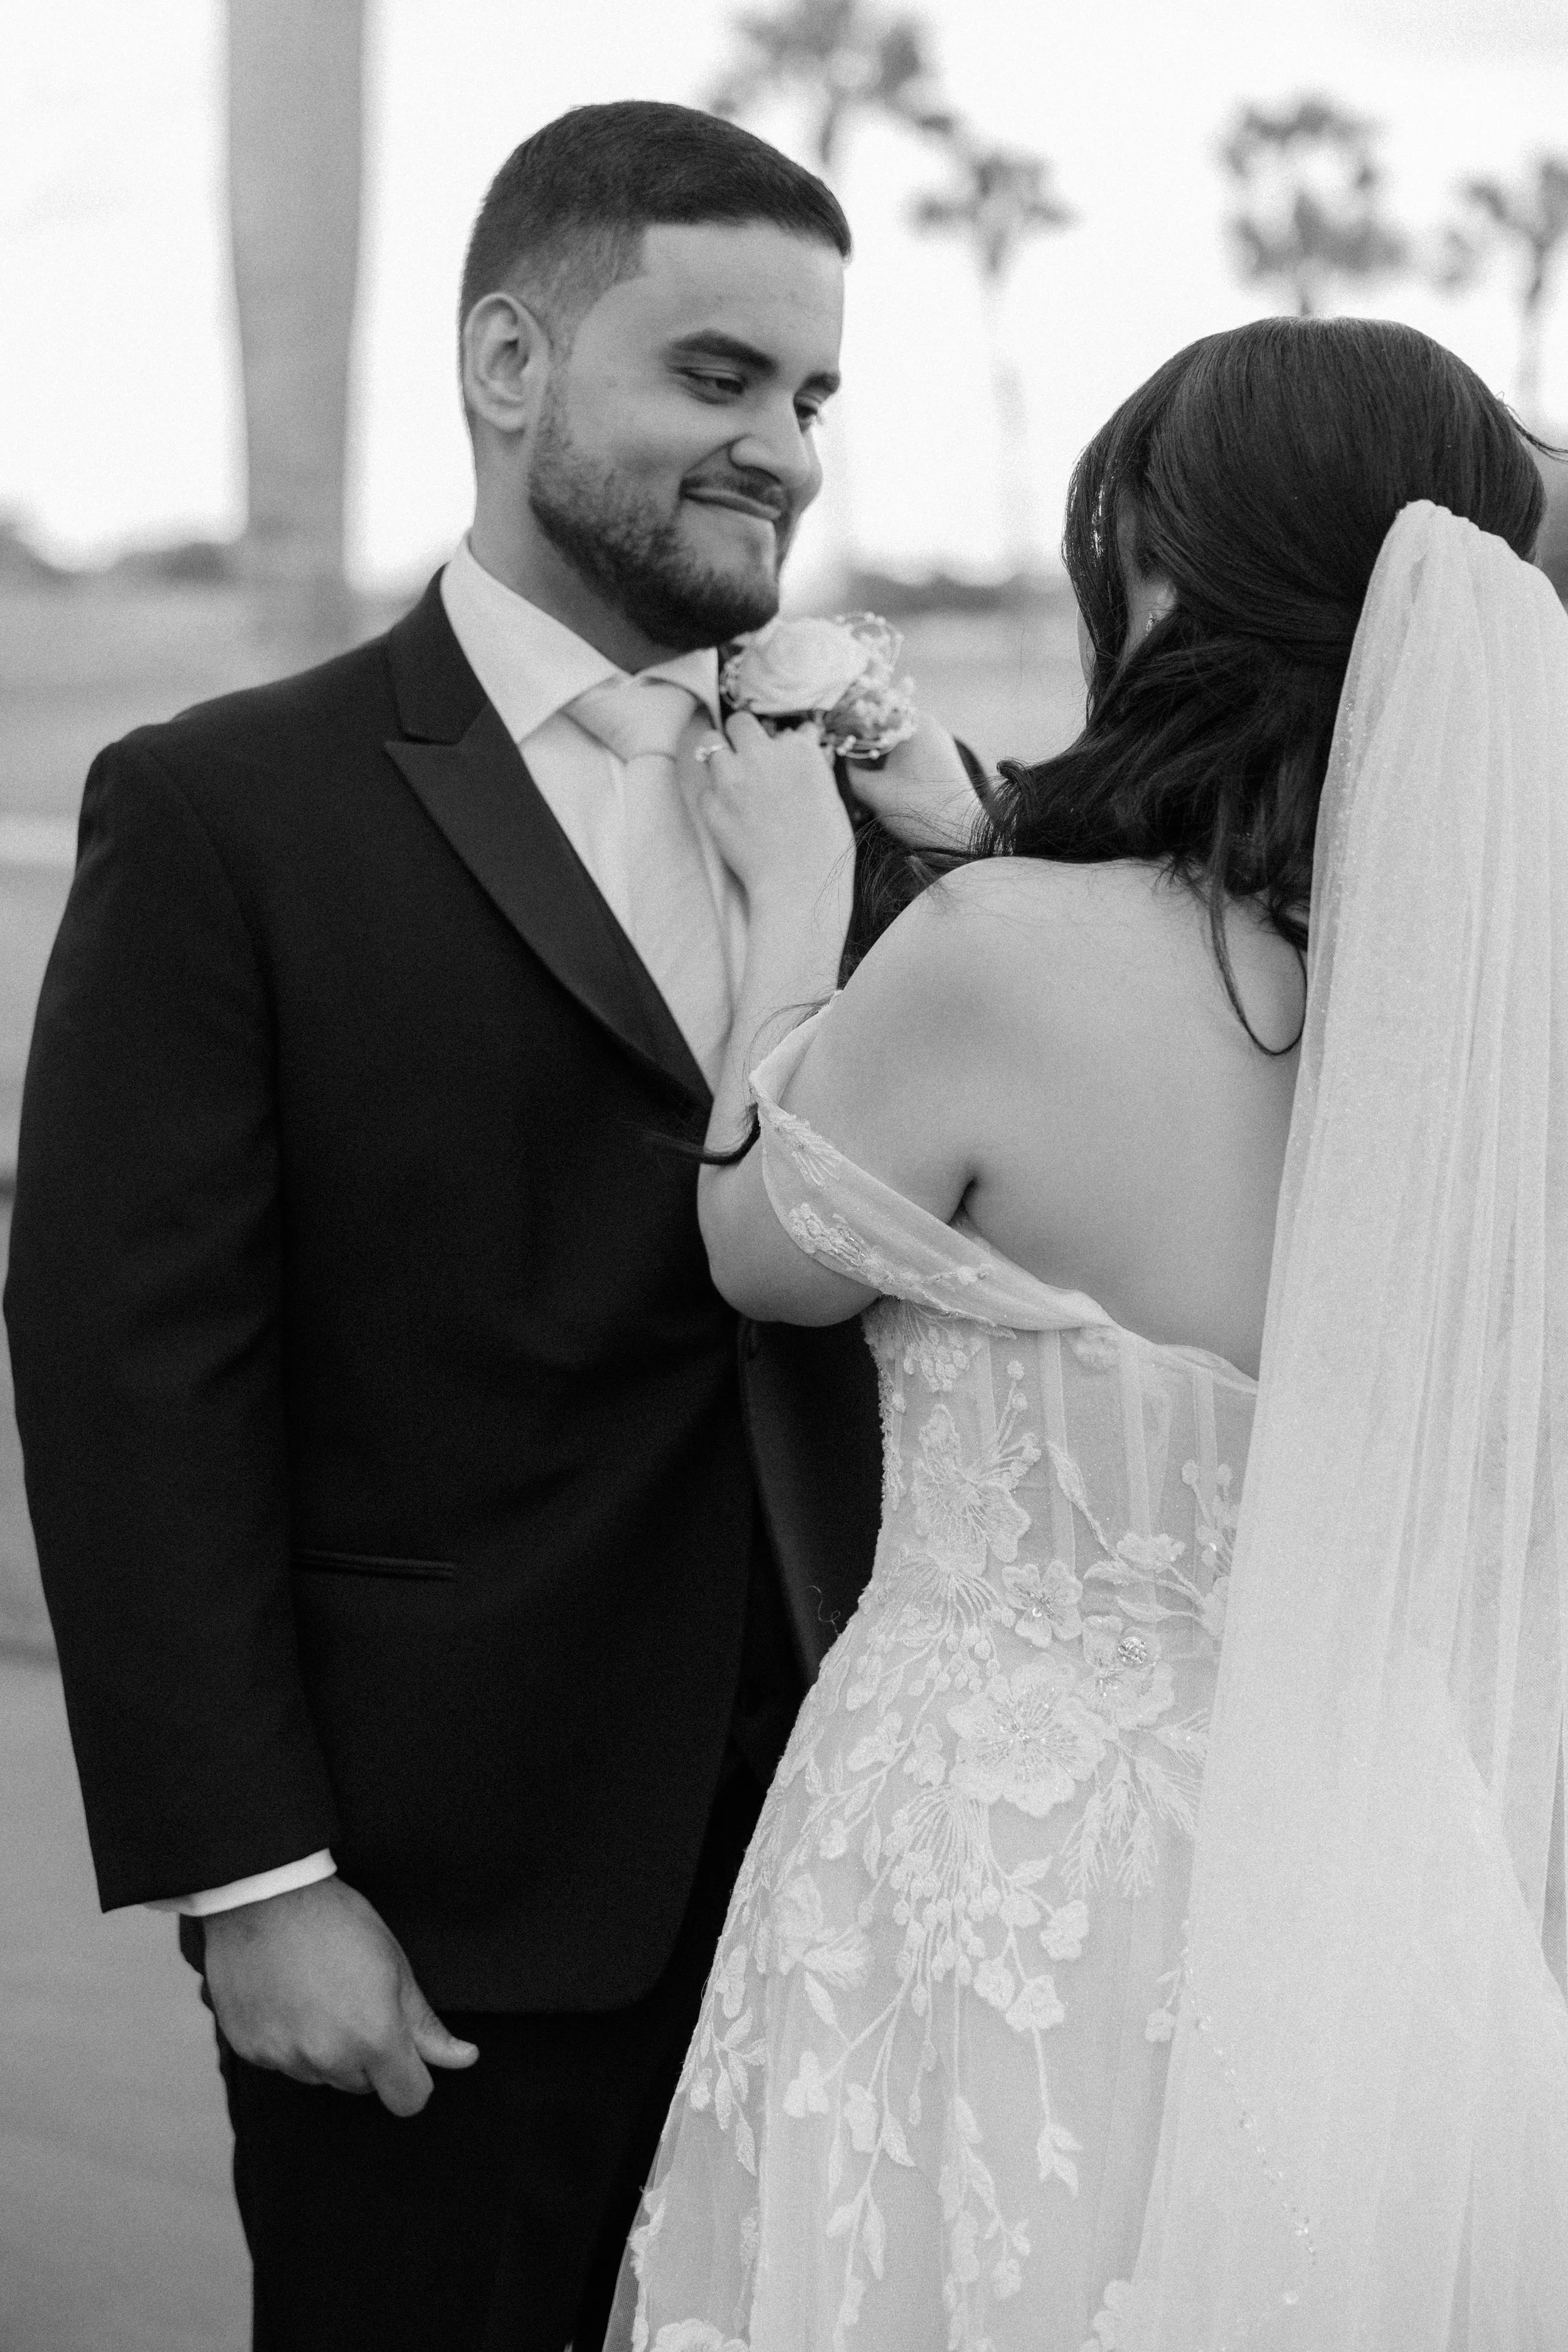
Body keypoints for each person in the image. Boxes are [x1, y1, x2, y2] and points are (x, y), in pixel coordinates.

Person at [3, 101, 971, 2352]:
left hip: (855, 1874)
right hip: (447, 1902)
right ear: (509, 365)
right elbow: (133, 1372)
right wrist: (256, 1877)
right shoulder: (226, 808)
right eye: (715, 376)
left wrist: (944, 829)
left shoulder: (874, 805)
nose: (783, 451)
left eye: (811, 395)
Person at [610, 317, 1568, 2348]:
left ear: (1153, 573)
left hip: (1002, 1878)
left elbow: (763, 1246)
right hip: (1368, 1890)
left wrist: (793, 900)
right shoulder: (1497, 1029)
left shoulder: (995, 958)